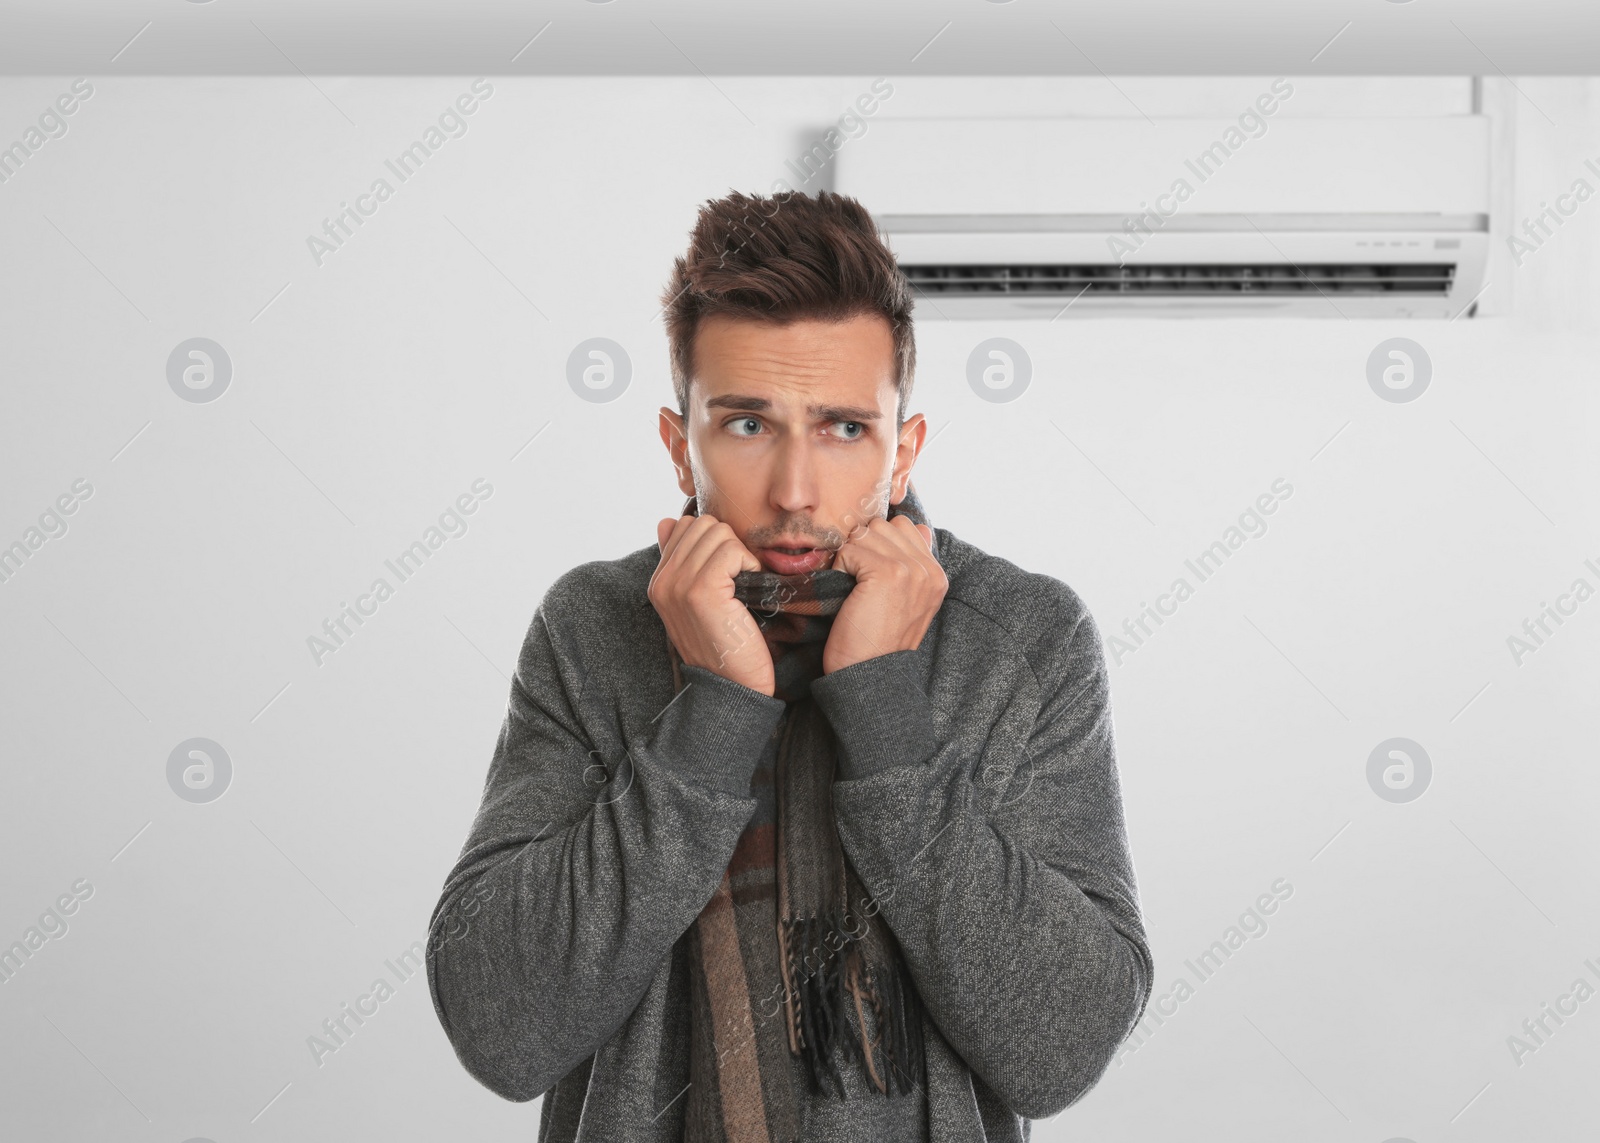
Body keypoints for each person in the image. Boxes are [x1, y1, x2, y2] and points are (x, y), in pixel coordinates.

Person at [426, 189, 1153, 1143]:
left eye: (845, 428)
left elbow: (1059, 1047)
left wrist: (884, 706)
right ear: (679, 445)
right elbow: (501, 1031)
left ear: (903, 453)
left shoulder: (1023, 635)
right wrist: (714, 713)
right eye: (748, 425)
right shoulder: (594, 625)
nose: (795, 491)